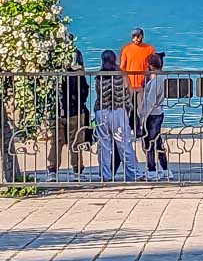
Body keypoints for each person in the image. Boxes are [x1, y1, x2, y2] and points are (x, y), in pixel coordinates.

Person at [94, 50, 142, 181]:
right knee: (124, 144)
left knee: (103, 145)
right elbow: (130, 91)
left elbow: (98, 92)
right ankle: (133, 174)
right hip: (118, 110)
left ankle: (105, 175)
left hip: (102, 110)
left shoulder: (99, 75)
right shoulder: (121, 74)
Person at [46, 48, 90, 180]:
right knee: (76, 142)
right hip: (75, 111)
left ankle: (52, 171)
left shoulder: (54, 74)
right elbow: (84, 90)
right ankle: (77, 171)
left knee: (56, 142)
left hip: (57, 111)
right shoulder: (78, 74)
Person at [140, 53, 173, 180]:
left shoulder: (156, 80)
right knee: (158, 142)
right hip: (159, 113)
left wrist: (142, 116)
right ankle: (165, 169)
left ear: (151, 66)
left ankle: (152, 170)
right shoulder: (163, 77)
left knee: (149, 143)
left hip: (152, 114)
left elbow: (150, 101)